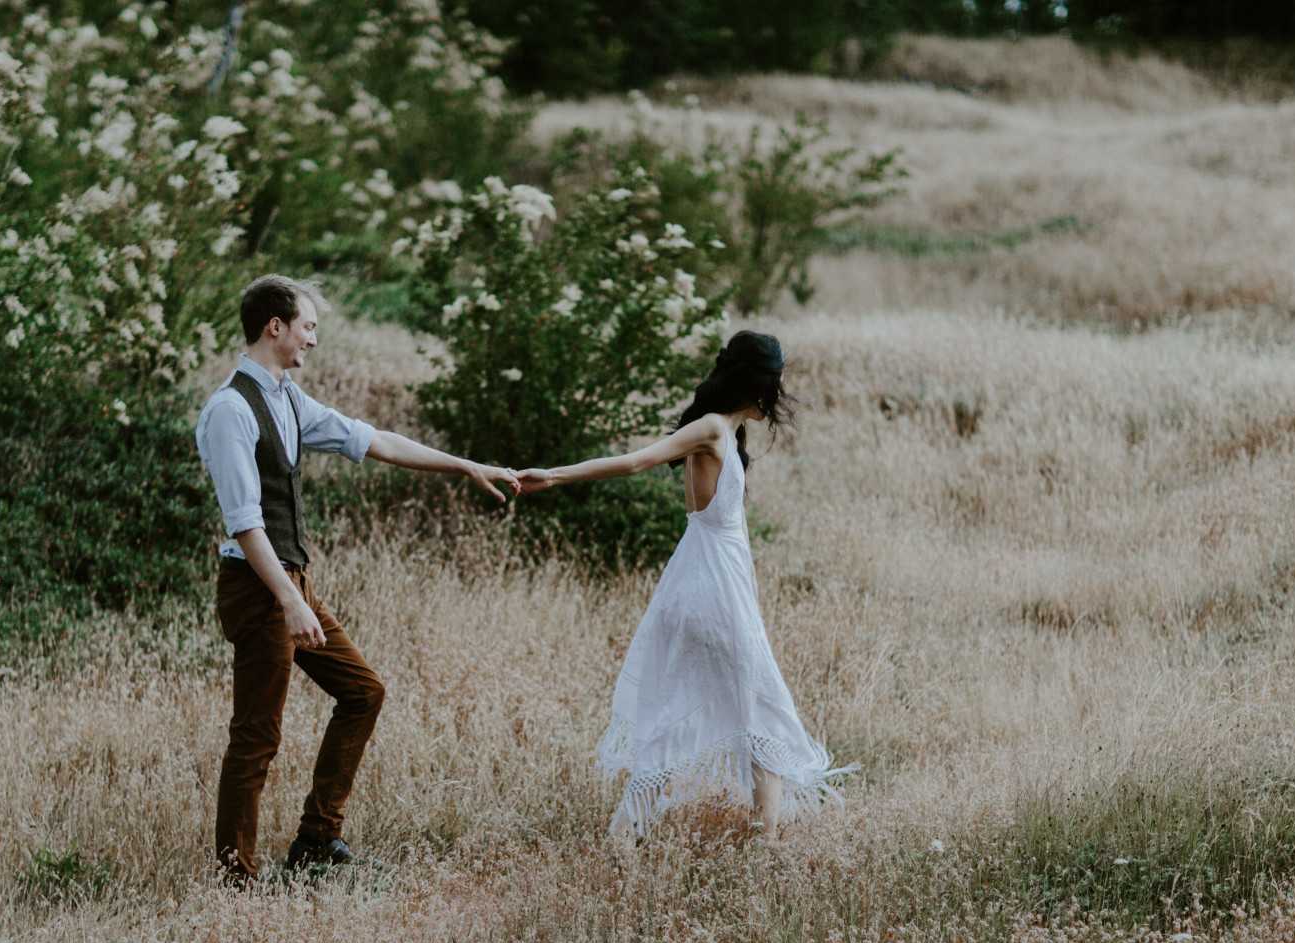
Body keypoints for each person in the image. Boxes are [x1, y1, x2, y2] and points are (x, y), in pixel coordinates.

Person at [196, 274, 520, 883]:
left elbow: (372, 440)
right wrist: (290, 600)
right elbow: (244, 522)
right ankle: (234, 880)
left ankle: (317, 842)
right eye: (308, 326)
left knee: (363, 691)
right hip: (259, 585)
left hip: (291, 583)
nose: (313, 341)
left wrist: (464, 464)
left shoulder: (287, 398)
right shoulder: (229, 409)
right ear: (276, 327)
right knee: (257, 737)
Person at [518, 331, 854, 839]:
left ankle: (750, 850)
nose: (779, 396)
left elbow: (734, 541)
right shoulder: (712, 429)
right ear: (757, 384)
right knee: (744, 714)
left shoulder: (725, 434)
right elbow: (634, 461)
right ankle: (633, 833)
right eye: (775, 385)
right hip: (709, 595)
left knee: (754, 714)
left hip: (712, 590)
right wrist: (556, 476)